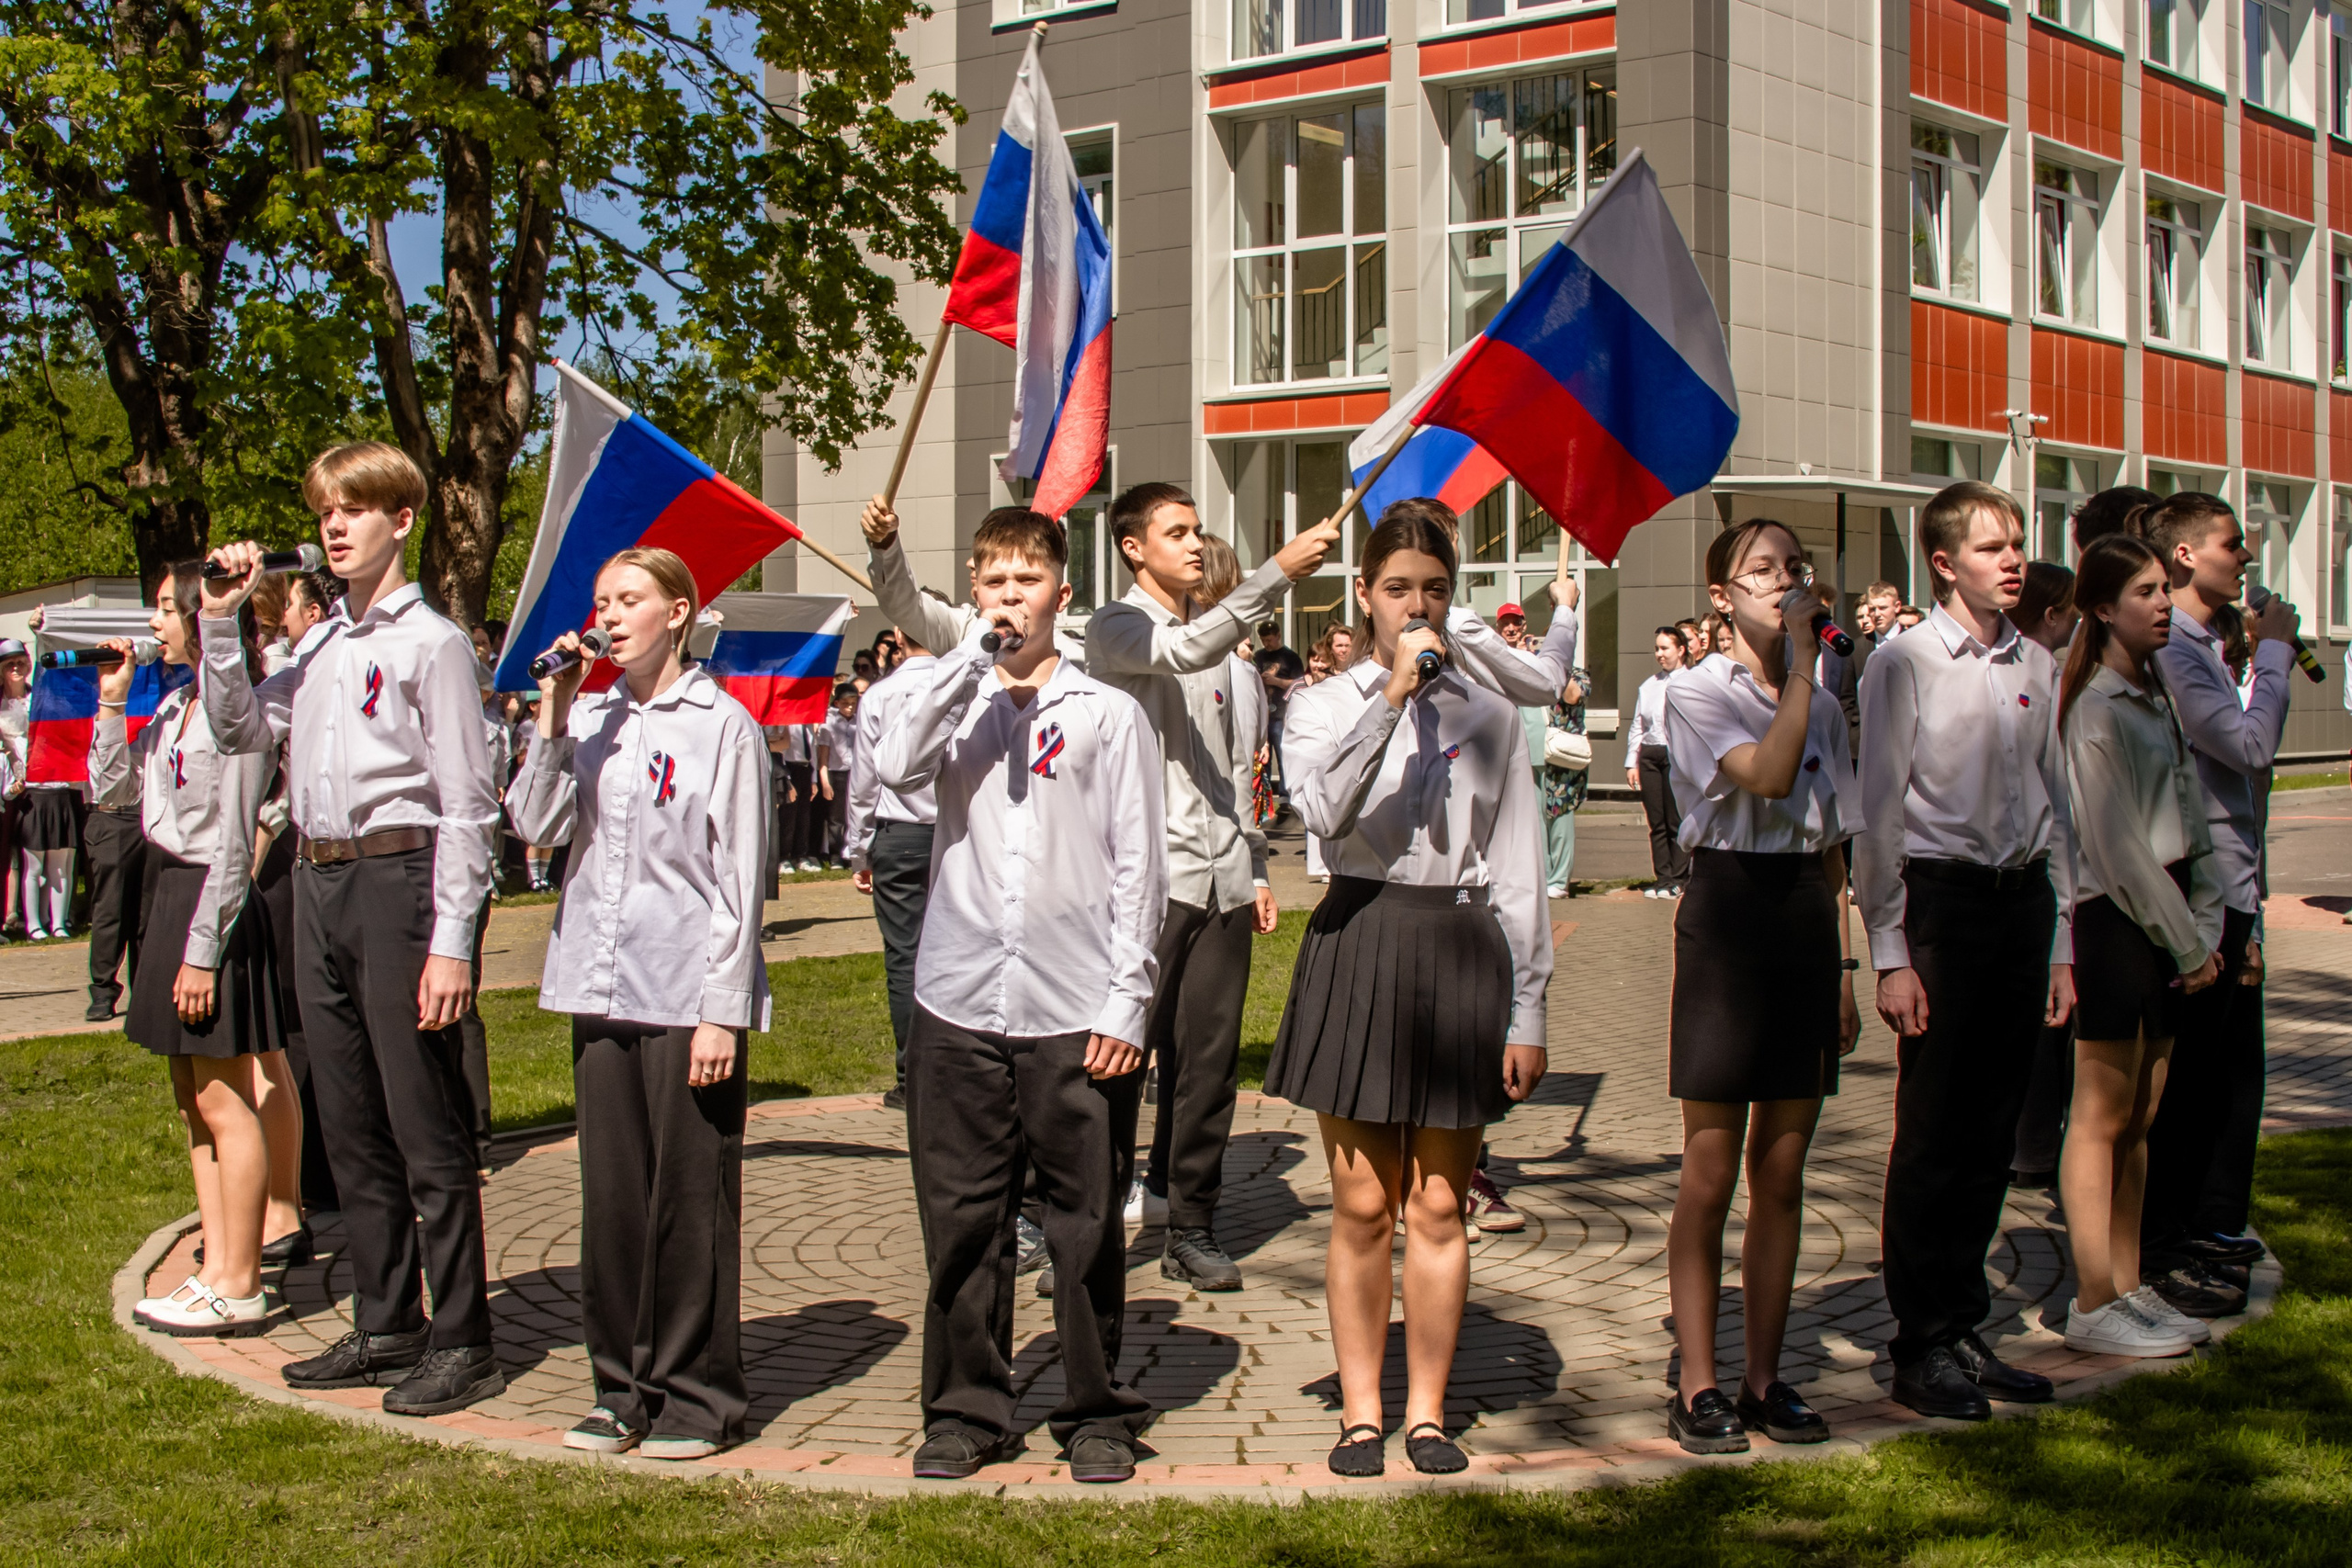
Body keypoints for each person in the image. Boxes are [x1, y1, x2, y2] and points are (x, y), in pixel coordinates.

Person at [198, 441, 504, 1417]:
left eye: (356, 509)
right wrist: (218, 625)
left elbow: (467, 803)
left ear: (401, 521)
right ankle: (387, 1317)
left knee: (423, 1121)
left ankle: (462, 1333)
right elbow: (243, 730)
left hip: (398, 878)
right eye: (327, 509)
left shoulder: (434, 644)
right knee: (348, 1115)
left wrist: (453, 938)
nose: (335, 526)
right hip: (318, 880)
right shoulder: (317, 646)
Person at [865, 503, 1164, 1485]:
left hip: (1074, 1008)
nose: (1008, 599)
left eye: (1025, 582)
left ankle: (1093, 1408)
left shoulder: (1108, 714)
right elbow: (893, 766)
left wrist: (1128, 1002)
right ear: (972, 592)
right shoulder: (947, 701)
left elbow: (1138, 869)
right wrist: (960, 664)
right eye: (990, 583)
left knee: (1082, 1220)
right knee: (962, 1218)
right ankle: (966, 1407)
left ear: (1060, 594)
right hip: (957, 998)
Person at [1267, 500, 1551, 1478]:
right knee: (1361, 1205)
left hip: (1458, 945)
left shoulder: (1490, 713)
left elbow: (1517, 869)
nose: (1415, 607)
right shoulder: (1320, 705)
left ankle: (1426, 1413)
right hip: (1359, 932)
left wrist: (1530, 1007)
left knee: (1438, 1204)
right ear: (1364, 596)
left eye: (1433, 590)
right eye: (1397, 590)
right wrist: (1387, 696)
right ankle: (1358, 1412)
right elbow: (1321, 809)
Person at [507, 547, 767, 1461]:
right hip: (598, 984)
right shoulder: (588, 719)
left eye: (630, 601)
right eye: (601, 601)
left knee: (687, 1202)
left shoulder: (722, 726)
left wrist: (720, 1011)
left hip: (683, 990)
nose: (611, 617)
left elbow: (738, 877)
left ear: (680, 613)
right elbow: (534, 830)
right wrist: (550, 710)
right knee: (612, 1200)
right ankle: (619, 1389)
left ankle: (698, 1396)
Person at [1080, 480, 1335, 1288]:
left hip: (1220, 879)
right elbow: (1177, 652)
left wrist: (1256, 866)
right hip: (1145, 882)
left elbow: (1234, 773)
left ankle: (1192, 1220)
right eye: (1177, 532)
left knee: (1209, 1063)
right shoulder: (1116, 627)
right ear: (1133, 546)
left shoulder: (1226, 659)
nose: (1195, 545)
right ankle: (1092, 1226)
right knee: (1120, 1056)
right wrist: (1277, 574)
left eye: (1198, 532)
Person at [1857, 479, 2075, 1422]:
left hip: (2019, 904)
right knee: (1936, 1133)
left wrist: (2062, 940)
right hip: (1940, 905)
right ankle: (1919, 1342)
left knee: (1993, 1129)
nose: (2013, 559)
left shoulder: (2035, 659)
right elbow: (1875, 817)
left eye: (2017, 543)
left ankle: (1961, 1318)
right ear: (1944, 563)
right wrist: (1889, 950)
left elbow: (2057, 804)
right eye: (1991, 548)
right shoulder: (1903, 662)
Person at [1657, 518, 1860, 1453]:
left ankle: (1764, 1379)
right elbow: (1769, 778)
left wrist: (1847, 969)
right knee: (1709, 1169)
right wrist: (1806, 675)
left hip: (1799, 919)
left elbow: (1828, 843)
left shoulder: (1818, 700)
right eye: (1760, 571)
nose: (1783, 584)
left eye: (1793, 569)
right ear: (1720, 594)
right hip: (1728, 907)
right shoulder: (1693, 692)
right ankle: (1697, 1382)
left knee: (1781, 1169)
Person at [2052, 535, 2224, 1359]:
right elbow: (2118, 848)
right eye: (2147, 591)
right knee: (2101, 1113)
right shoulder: (2093, 708)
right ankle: (2093, 1296)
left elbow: (2190, 816)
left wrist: (2209, 920)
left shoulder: (2151, 695)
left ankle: (2127, 1283)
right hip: (2117, 920)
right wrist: (2188, 942)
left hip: (2164, 921)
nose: (2164, 603)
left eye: (2165, 589)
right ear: (2101, 607)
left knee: (2141, 1118)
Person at [114, 566, 296, 1335]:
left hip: (209, 903)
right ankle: (215, 1265)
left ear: (202, 616)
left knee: (226, 1097)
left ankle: (243, 1276)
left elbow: (233, 840)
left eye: (164, 609)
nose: (154, 624)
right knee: (192, 1101)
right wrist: (109, 698)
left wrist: (201, 950)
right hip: (169, 896)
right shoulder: (172, 703)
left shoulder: (240, 713)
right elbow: (112, 787)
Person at [2139, 491, 2293, 1315]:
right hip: (2195, 895)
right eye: (2233, 544)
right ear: (2187, 556)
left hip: (2233, 889)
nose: (2247, 559)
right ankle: (2178, 1235)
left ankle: (2212, 1224)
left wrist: (2257, 911)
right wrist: (2272, 658)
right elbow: (2246, 746)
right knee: (2194, 1083)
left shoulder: (2207, 648)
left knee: (2231, 1080)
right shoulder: (2180, 654)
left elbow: (2248, 795)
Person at [2004, 559, 2083, 1189]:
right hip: (2014, 877)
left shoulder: (2044, 671)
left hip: (2039, 875)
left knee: (2041, 1026)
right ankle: (2030, 1145)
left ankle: (2029, 1145)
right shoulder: (2044, 673)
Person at [844, 624, 938, 1111]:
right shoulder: (962, 683)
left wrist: (859, 848)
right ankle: (947, 1070)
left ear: (899, 637)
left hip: (901, 833)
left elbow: (863, 779)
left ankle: (912, 1074)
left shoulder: (882, 695)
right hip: (953, 834)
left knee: (904, 957)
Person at [1624, 627, 1691, 899]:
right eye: (1657, 649)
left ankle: (1679, 878)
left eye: (1665, 648)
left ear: (1681, 650)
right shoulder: (1649, 685)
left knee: (1676, 819)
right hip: (1651, 754)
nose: (1659, 654)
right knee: (1657, 821)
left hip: (1678, 755)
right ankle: (1663, 878)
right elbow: (1638, 726)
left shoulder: (1691, 681)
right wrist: (1633, 762)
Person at [1251, 620, 1307, 799]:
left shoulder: (1290, 657)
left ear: (1278, 636)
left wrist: (1276, 682)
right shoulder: (1258, 656)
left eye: (1270, 640)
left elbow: (1300, 683)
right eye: (1263, 640)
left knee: (1284, 756)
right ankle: (1263, 799)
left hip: (1281, 715)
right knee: (1261, 758)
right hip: (1261, 715)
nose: (1267, 644)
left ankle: (1285, 797)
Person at [0, 639, 28, 938]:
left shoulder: (37, 698)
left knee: (33, 851)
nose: (16, 668)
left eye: (20, 662)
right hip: (6, 782)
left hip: (37, 783)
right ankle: (6, 913)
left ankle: (23, 914)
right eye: (10, 664)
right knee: (4, 850)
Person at [820, 682, 859, 866]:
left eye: (853, 702)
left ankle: (852, 852)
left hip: (857, 773)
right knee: (836, 817)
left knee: (854, 814)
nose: (850, 707)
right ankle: (835, 855)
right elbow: (823, 756)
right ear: (836, 703)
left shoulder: (860, 722)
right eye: (845, 703)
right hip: (838, 774)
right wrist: (825, 782)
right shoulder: (829, 724)